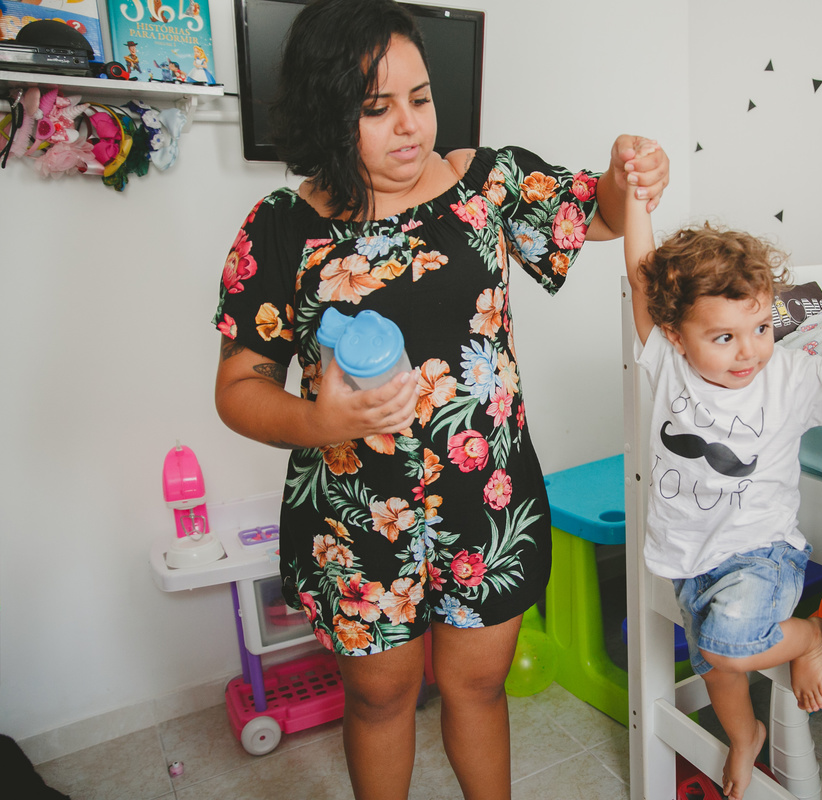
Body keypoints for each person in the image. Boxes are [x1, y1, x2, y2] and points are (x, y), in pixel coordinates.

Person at [211, 1, 669, 798]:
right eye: (376, 108)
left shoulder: (484, 183)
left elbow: (600, 212)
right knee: (381, 699)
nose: (409, 127)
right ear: (328, 112)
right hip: (354, 521)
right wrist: (320, 420)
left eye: (419, 98)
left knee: (478, 689)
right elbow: (239, 388)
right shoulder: (281, 229)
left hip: (485, 502)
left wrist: (631, 168)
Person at [622, 160, 822, 800]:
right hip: (691, 560)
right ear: (675, 334)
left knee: (724, 643)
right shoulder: (667, 365)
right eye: (724, 336)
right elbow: (640, 279)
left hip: (761, 552)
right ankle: (745, 737)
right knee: (718, 667)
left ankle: (808, 635)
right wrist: (637, 194)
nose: (749, 350)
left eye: (761, 328)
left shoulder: (788, 377)